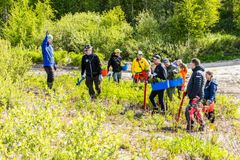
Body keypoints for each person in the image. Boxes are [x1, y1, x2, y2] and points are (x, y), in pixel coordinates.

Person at [185, 58, 205, 132]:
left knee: (189, 111)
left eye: (191, 63)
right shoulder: (196, 72)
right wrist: (187, 92)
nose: (190, 65)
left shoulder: (198, 73)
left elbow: (197, 86)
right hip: (195, 96)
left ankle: (191, 126)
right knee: (196, 111)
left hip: (196, 96)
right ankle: (201, 125)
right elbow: (192, 84)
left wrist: (193, 95)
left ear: (194, 64)